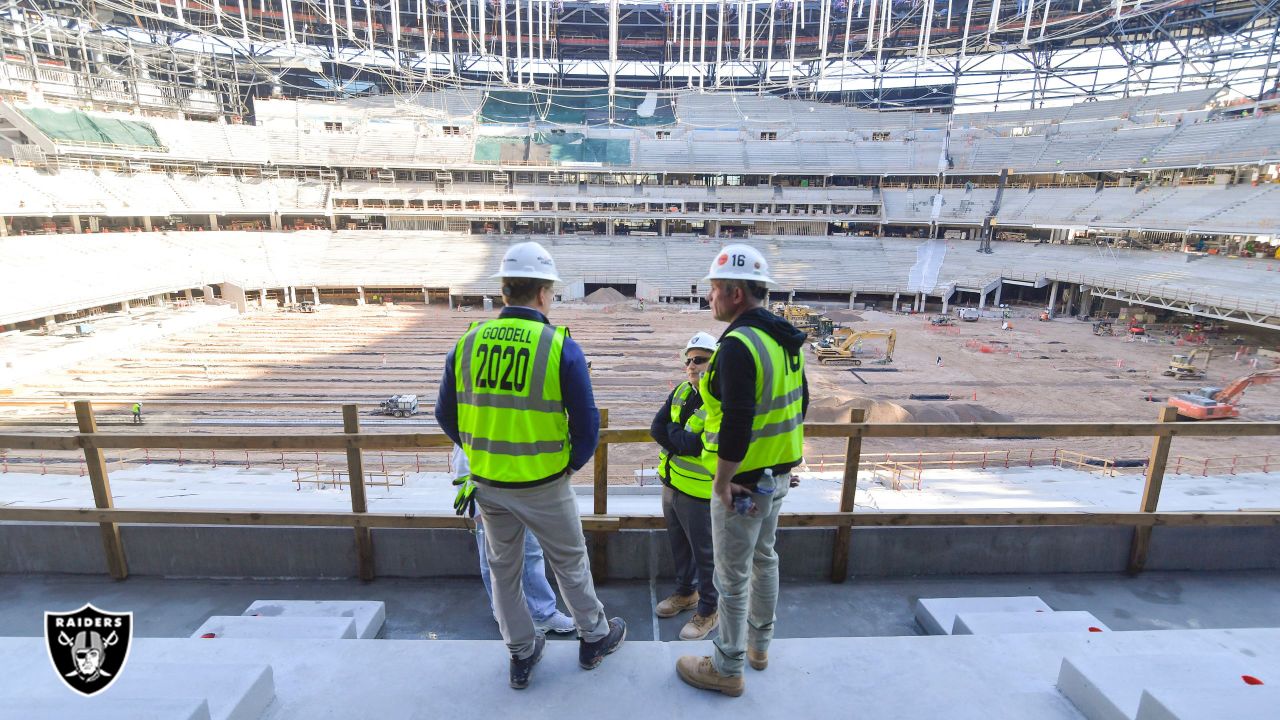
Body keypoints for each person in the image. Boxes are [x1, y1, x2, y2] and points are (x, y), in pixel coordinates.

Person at [435, 241, 625, 691]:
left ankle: (521, 652)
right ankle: (594, 637)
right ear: (543, 293)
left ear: (503, 292)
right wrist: (568, 466)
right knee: (570, 564)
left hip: (489, 485)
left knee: (504, 570)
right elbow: (587, 424)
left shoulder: (468, 343)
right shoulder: (559, 347)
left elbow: (446, 415)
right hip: (544, 484)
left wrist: (483, 452)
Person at [676, 244, 808, 698]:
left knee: (731, 575)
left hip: (745, 483)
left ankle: (728, 666)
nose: (709, 298)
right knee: (765, 558)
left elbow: (737, 420)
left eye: (714, 290)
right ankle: (759, 647)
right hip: (778, 475)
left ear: (734, 293)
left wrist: (722, 480)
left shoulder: (736, 346)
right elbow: (799, 404)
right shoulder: (784, 339)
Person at [451, 445, 575, 636]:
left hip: (511, 497)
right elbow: (463, 463)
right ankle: (532, 614)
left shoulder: (481, 417)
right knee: (510, 558)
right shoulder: (475, 418)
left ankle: (518, 612)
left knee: (515, 557)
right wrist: (475, 509)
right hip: (495, 502)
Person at [649, 331, 719, 641]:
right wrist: (679, 438)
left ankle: (708, 610)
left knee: (706, 555)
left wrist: (674, 435)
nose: (692, 365)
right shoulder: (681, 391)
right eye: (689, 360)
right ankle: (685, 592)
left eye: (701, 360)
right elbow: (656, 428)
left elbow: (697, 444)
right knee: (680, 548)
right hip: (673, 483)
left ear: (715, 363)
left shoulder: (719, 400)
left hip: (700, 492)